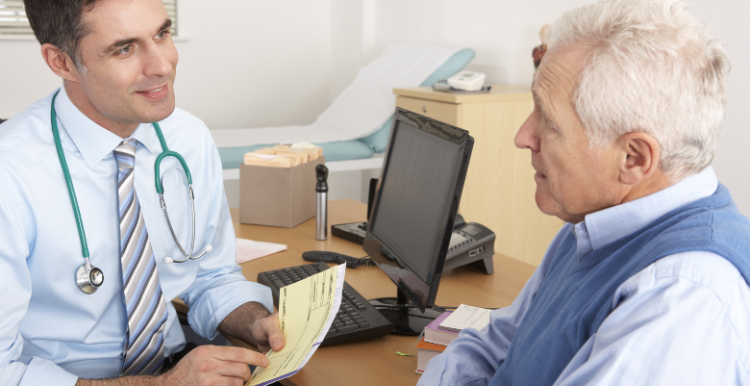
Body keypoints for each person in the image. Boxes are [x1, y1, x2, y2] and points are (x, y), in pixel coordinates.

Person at [419, 0, 750, 385]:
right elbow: (493, 347)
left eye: (550, 121)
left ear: (633, 158)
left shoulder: (680, 298)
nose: (523, 137)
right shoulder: (590, 228)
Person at [0, 0, 286, 384]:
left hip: (174, 363)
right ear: (61, 62)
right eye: (125, 48)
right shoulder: (11, 172)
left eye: (161, 34)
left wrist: (254, 320)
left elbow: (211, 275)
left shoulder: (188, 137)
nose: (163, 66)